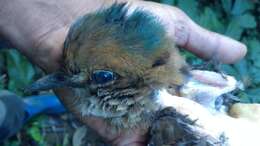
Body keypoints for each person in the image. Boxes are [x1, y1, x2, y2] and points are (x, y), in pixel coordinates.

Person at [0, 0, 247, 145]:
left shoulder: (193, 99)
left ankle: (14, 111)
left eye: (103, 77)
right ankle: (15, 111)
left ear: (148, 77)